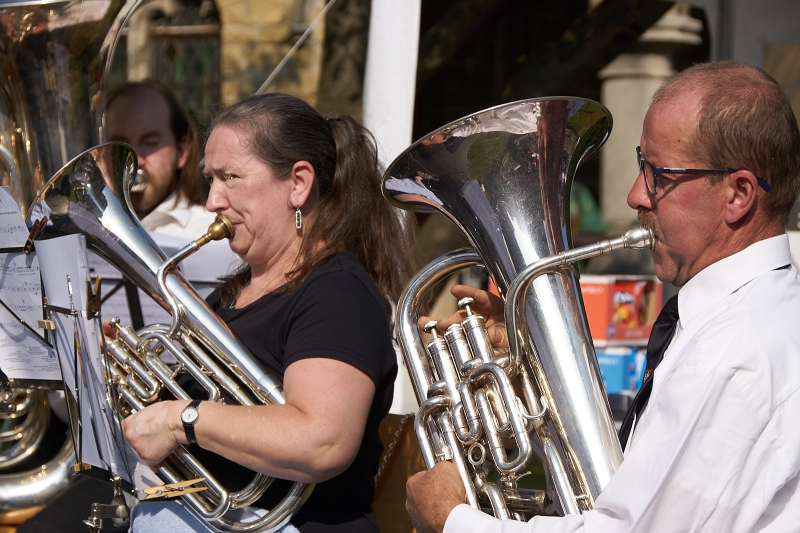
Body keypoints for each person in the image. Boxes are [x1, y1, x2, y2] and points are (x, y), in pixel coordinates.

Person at [405, 60, 800, 532]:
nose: (636, 195)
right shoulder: (753, 320)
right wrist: (537, 368)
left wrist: (454, 520)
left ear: (738, 194)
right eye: (641, 165)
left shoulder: (733, 352)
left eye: (660, 175)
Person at [121, 92, 417, 533]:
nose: (212, 201)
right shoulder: (233, 292)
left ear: (298, 183)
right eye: (211, 179)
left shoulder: (338, 292)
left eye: (231, 177)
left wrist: (183, 419)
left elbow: (322, 439)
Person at [105, 79, 213, 237]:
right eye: (120, 146)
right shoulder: (85, 229)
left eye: (150, 143)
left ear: (182, 151)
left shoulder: (211, 230)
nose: (135, 161)